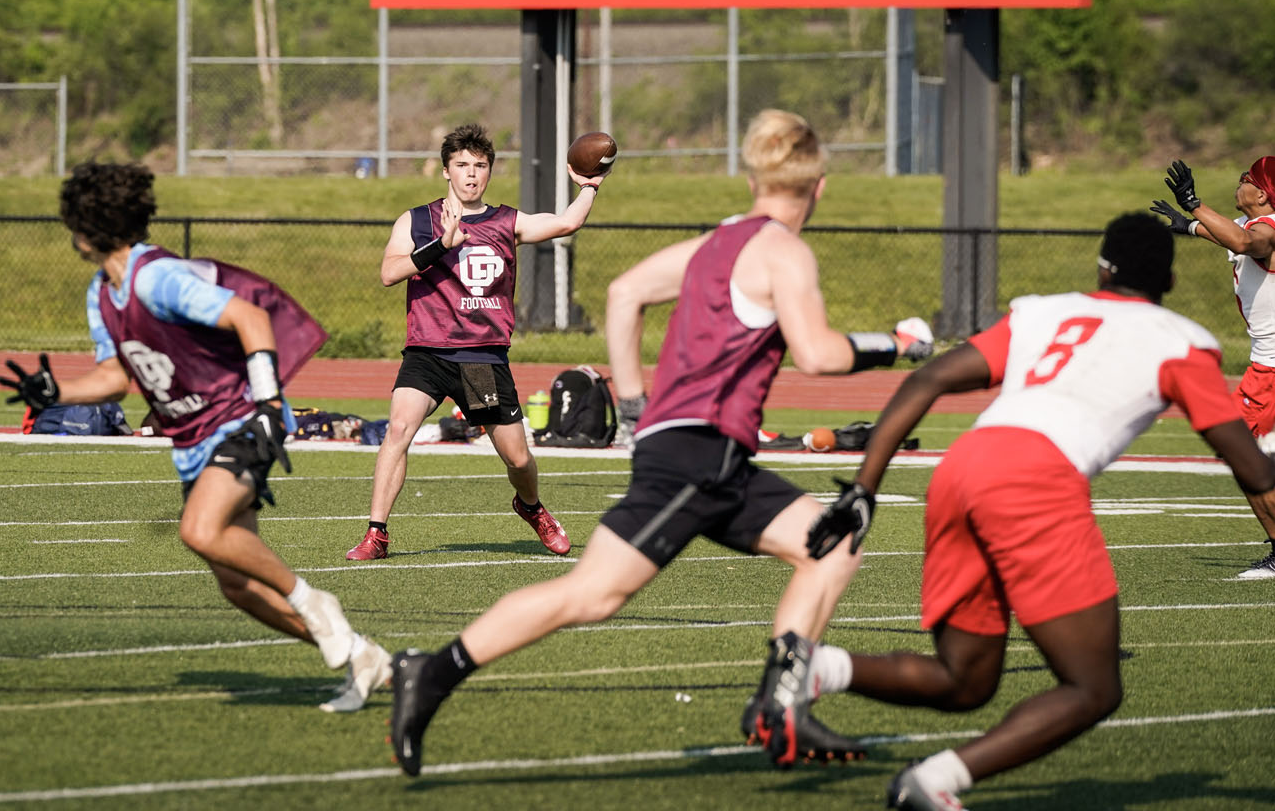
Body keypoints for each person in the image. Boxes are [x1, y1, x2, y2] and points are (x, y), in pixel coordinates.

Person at [386, 108, 934, 776]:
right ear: (818, 187)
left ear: (755, 179)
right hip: (698, 457)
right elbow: (817, 354)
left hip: (710, 455)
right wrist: (897, 345)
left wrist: (640, 404)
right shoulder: (786, 251)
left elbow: (625, 294)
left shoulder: (717, 242)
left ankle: (781, 701)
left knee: (834, 542)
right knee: (590, 596)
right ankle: (432, 673)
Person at [799, 212, 1275, 810]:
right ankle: (933, 782)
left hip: (963, 470)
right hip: (1036, 484)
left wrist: (864, 489)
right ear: (1171, 283)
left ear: (1102, 268)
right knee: (1092, 688)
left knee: (965, 678)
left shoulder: (1043, 311)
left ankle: (815, 668)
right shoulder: (1182, 340)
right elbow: (1254, 470)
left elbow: (928, 380)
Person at [0, 160, 390, 714]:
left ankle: (314, 601)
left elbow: (252, 319)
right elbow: (118, 376)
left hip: (238, 418)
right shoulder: (100, 293)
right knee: (236, 585)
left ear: (83, 232)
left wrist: (269, 406)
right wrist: (54, 392)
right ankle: (361, 656)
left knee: (199, 530)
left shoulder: (155, 277)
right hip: (192, 438)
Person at [345, 123, 609, 561]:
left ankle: (531, 507)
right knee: (398, 429)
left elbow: (566, 223)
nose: (471, 174)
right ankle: (377, 533)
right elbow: (389, 273)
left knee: (519, 460)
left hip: (480, 358)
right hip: (427, 351)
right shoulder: (417, 220)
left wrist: (590, 187)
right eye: (462, 165)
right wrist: (440, 245)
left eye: (480, 166)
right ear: (446, 171)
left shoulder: (506, 221)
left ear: (490, 171)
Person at [1152, 157, 1275, 578]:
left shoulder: (1267, 229)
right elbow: (1233, 237)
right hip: (1267, 367)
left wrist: (1193, 204)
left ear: (1261, 194)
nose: (1238, 184)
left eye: (1246, 180)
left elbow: (1246, 243)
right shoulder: (1255, 227)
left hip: (1271, 372)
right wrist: (1189, 225)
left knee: (1244, 457)